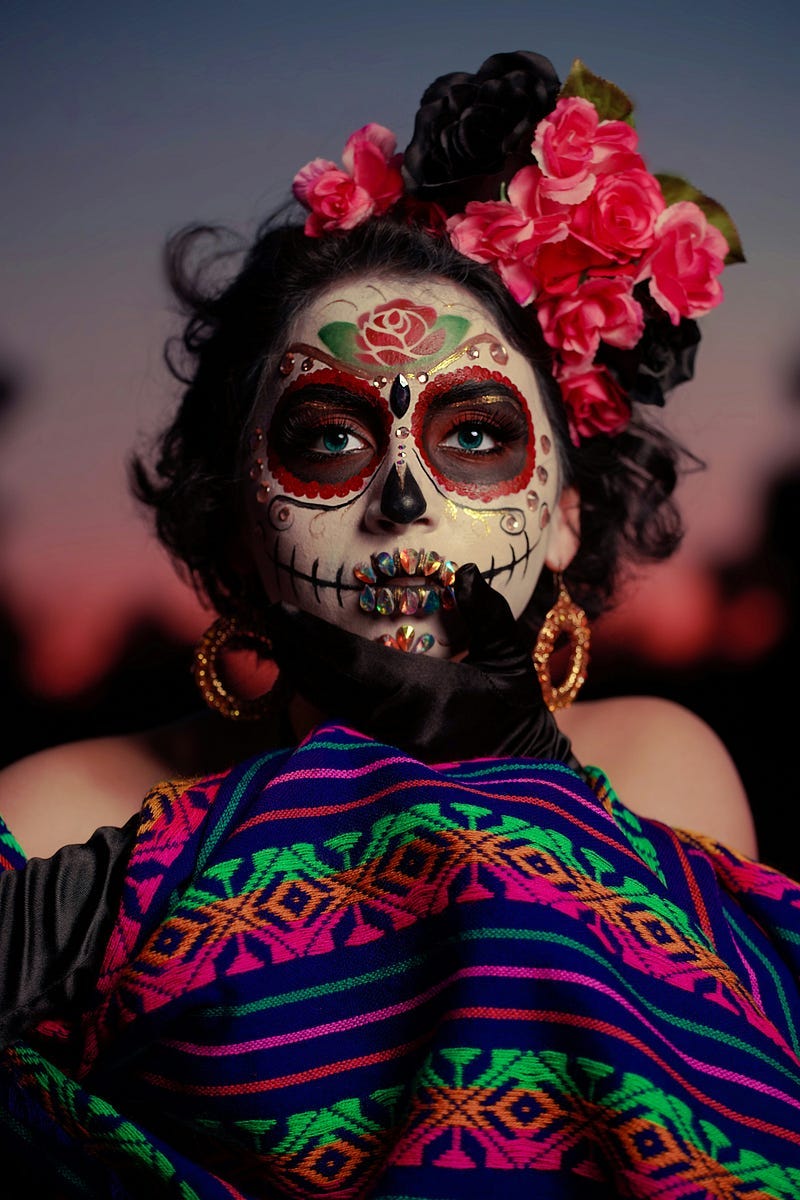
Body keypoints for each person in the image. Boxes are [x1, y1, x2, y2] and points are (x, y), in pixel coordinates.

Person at [1, 48, 797, 1199]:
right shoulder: (51, 818)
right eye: (328, 440)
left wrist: (523, 773)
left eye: (474, 435)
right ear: (236, 538)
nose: (404, 502)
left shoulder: (660, 765)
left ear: (566, 517)